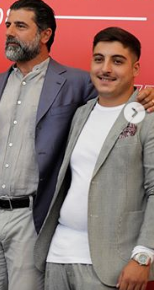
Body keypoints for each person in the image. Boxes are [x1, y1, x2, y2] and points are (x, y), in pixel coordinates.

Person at [0, 0, 154, 290]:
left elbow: (116, 95)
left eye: (20, 26)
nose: (9, 32)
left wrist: (147, 96)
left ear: (45, 34)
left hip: (34, 218)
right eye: (8, 25)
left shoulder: (78, 83)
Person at [34, 27, 153, 289]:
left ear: (135, 68)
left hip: (112, 265)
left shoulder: (148, 116)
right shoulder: (81, 113)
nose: (106, 68)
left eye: (117, 61)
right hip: (58, 256)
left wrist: (143, 256)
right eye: (99, 59)